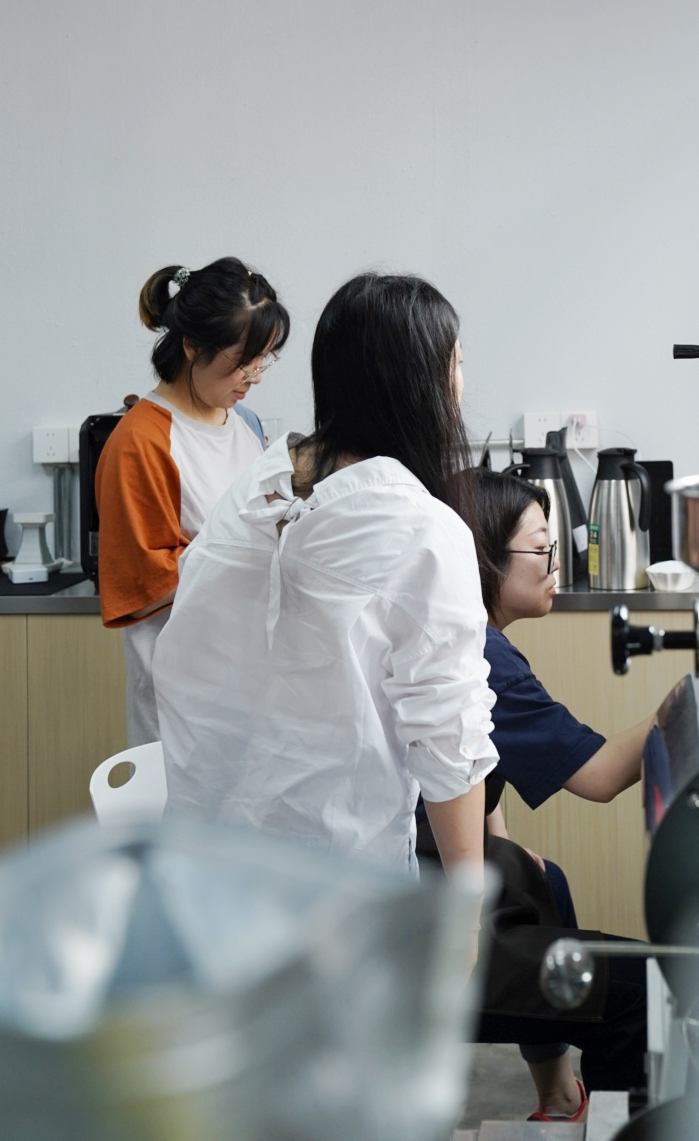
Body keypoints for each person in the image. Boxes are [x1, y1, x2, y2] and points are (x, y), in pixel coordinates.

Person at [153, 273, 497, 919]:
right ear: (421, 381)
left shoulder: (257, 484)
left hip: (205, 869)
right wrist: (468, 916)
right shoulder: (422, 528)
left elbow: (189, 664)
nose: (460, 381)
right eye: (454, 363)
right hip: (336, 890)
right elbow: (449, 743)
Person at [417, 468, 654, 1119]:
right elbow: (600, 775)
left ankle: (558, 1097)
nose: (556, 566)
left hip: (415, 872)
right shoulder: (483, 653)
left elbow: (473, 766)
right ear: (485, 559)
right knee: (634, 985)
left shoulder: (455, 631)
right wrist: (679, 704)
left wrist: (510, 854)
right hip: (421, 917)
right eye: (543, 549)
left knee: (547, 878)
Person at [95, 257, 289, 746]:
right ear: (192, 347)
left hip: (254, 680)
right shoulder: (141, 441)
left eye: (264, 358)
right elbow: (146, 584)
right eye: (243, 360)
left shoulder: (246, 423)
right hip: (186, 697)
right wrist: (257, 547)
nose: (255, 376)